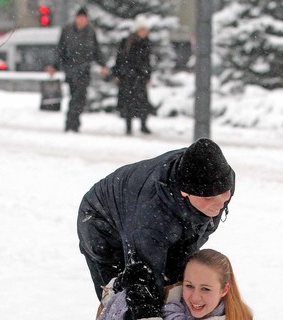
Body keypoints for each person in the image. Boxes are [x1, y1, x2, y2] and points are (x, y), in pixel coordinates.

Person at [77, 138, 236, 319]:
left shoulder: (223, 179)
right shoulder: (150, 218)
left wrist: (179, 264)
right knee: (126, 298)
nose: (218, 204)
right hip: (102, 224)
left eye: (223, 195)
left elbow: (199, 230)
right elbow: (143, 285)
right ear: (186, 192)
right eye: (208, 198)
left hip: (163, 219)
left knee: (177, 285)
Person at [97, 249, 253, 320]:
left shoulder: (238, 317)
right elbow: (106, 308)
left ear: (224, 289)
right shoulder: (165, 302)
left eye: (205, 289)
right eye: (189, 286)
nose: (194, 297)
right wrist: (120, 287)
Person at [45, 7, 108, 133]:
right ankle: (71, 122)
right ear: (76, 18)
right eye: (80, 18)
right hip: (71, 69)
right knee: (75, 95)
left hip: (84, 70)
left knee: (80, 96)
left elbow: (96, 49)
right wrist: (54, 66)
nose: (82, 21)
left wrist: (102, 64)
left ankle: (73, 122)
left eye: (84, 19)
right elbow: (60, 49)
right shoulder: (67, 30)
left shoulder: (90, 31)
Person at [112, 15, 153, 135]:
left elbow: (147, 61)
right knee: (129, 103)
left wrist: (147, 75)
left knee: (142, 103)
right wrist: (118, 73)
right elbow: (120, 58)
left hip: (140, 77)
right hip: (129, 77)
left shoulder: (146, 43)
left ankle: (143, 125)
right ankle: (129, 126)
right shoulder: (128, 41)